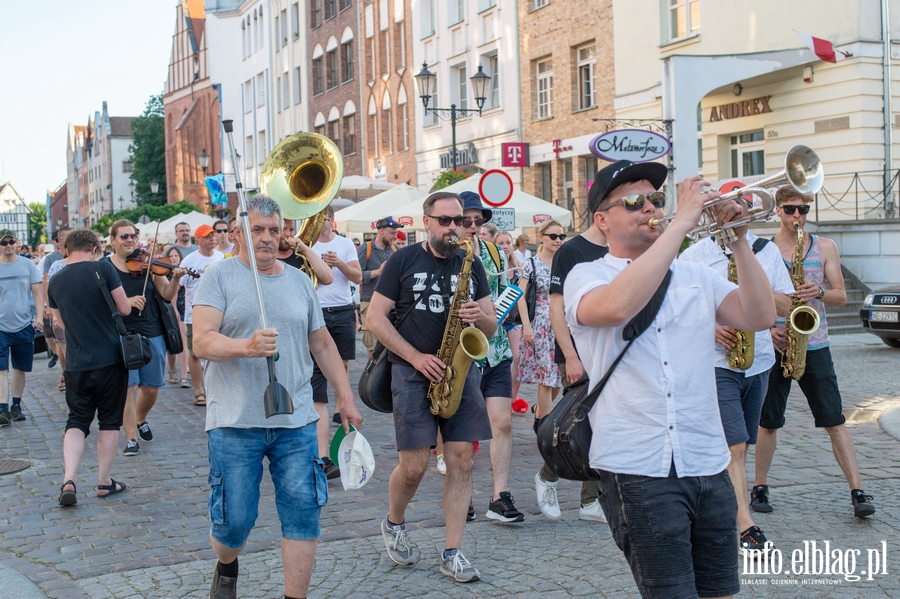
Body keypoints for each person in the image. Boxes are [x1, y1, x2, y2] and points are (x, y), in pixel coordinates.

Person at [564, 160, 776, 598]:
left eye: (656, 200)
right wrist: (681, 222)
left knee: (721, 592)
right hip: (637, 464)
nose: (650, 209)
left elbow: (760, 315)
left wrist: (738, 240)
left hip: (706, 458)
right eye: (635, 202)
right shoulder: (586, 276)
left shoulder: (696, 275)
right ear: (602, 220)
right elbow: (618, 308)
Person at [191, 194, 363, 599]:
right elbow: (201, 341)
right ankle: (227, 564)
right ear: (236, 234)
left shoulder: (300, 280)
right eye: (256, 230)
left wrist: (345, 396)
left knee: (304, 515)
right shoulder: (219, 277)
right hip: (235, 420)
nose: (267, 238)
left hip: (297, 419)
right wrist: (245, 347)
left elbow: (321, 343)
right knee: (233, 525)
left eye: (274, 230)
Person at [367, 191, 495, 583]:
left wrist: (480, 318)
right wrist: (414, 357)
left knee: (461, 460)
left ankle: (452, 551)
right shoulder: (403, 261)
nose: (454, 228)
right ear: (426, 221)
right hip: (411, 370)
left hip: (459, 370)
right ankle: (394, 521)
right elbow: (374, 318)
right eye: (445, 221)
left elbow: (491, 323)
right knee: (415, 465)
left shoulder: (470, 263)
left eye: (460, 221)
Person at [753, 187, 876, 519]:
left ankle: (858, 490)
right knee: (769, 422)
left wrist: (818, 291)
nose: (798, 216)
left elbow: (840, 296)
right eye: (791, 209)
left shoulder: (825, 246)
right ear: (777, 211)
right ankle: (760, 487)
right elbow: (751, 299)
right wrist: (766, 330)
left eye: (803, 209)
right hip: (777, 342)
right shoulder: (762, 251)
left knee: (835, 420)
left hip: (815, 344)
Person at [680, 226, 794, 554]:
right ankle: (746, 525)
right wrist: (710, 326)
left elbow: (785, 305)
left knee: (739, 444)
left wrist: (752, 289)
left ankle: (708, 505)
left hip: (757, 362)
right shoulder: (694, 254)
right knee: (736, 448)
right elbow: (680, 308)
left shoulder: (765, 250)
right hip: (716, 363)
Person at [538, 190, 610, 522]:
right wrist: (570, 355)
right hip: (578, 351)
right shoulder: (571, 250)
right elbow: (557, 306)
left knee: (605, 423)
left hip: (611, 349)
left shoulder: (623, 247)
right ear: (602, 215)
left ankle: (589, 500)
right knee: (577, 423)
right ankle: (547, 475)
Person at [48, 229, 132, 505]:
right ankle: (104, 482)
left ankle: (68, 479)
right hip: (109, 359)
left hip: (76, 363)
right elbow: (125, 309)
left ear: (67, 249)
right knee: (109, 422)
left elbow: (58, 322)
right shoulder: (104, 270)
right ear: (95, 248)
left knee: (76, 421)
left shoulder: (55, 280)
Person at [457, 191, 523, 523]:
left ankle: (499, 496)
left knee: (503, 422)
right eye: (466, 220)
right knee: (465, 430)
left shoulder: (495, 253)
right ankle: (462, 494)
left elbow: (504, 291)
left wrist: (508, 303)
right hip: (461, 353)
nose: (472, 226)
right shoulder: (445, 253)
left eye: (477, 220)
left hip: (494, 348)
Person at [105, 220, 186, 456]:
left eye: (132, 236)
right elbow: (99, 301)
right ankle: (131, 439)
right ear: (113, 240)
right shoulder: (105, 268)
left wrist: (176, 279)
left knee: (151, 388)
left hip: (152, 332)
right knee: (128, 388)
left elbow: (166, 293)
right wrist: (125, 303)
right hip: (121, 335)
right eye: (124, 236)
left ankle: (141, 418)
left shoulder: (147, 264)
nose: (129, 240)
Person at [309, 206, 362, 478]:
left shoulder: (344, 244)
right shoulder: (307, 244)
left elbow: (358, 277)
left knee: (342, 363)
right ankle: (322, 448)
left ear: (332, 220)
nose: (322, 223)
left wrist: (339, 263)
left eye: (325, 218)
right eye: (317, 219)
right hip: (317, 312)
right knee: (318, 370)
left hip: (342, 309)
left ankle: (342, 412)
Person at [0, 229, 43, 426]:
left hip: (24, 324)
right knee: (1, 370)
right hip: (0, 327)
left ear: (16, 242)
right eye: (4, 242)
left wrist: (40, 316)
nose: (8, 245)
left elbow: (37, 291)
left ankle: (16, 405)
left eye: (11, 241)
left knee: (20, 367)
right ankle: (2, 408)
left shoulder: (27, 265)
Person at [179, 224, 224, 406]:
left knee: (219, 350)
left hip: (220, 312)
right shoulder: (189, 260)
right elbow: (179, 284)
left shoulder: (221, 258)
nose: (212, 239)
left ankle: (219, 387)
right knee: (195, 352)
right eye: (207, 236)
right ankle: (199, 390)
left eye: (213, 235)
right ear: (198, 240)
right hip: (194, 313)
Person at [357, 216, 402, 360]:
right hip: (370, 301)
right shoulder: (366, 249)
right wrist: (378, 272)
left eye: (395, 233)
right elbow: (357, 275)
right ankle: (371, 378)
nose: (394, 236)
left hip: (392, 303)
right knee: (373, 346)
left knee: (390, 342)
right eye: (392, 232)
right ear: (381, 231)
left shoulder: (395, 250)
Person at [494, 231, 524, 403]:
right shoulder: (492, 266)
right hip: (495, 318)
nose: (505, 246)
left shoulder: (519, 267)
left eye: (508, 243)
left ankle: (513, 397)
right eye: (501, 243)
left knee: (518, 358)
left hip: (513, 320)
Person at [42, 226, 70, 375]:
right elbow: (46, 282)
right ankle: (66, 373)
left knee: (65, 342)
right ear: (59, 241)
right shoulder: (51, 259)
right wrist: (48, 306)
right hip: (57, 305)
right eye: (64, 236)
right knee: (61, 340)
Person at [164, 246, 190, 388]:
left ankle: (184, 376)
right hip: (168, 309)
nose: (174, 258)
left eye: (176, 255)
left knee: (183, 340)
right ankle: (172, 370)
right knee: (171, 340)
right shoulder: (164, 273)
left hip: (182, 308)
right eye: (171, 255)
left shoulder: (182, 272)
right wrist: (174, 310)